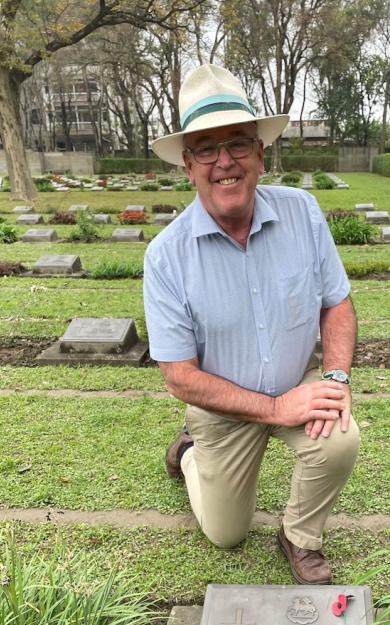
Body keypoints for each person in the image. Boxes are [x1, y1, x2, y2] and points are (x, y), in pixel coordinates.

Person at [144, 64, 359, 585]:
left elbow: (338, 304)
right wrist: (271, 408)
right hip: (221, 410)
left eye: (238, 144)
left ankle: (300, 535)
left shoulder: (302, 213)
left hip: (294, 386)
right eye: (205, 149)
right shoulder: (166, 257)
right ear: (188, 167)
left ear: (260, 154)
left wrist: (334, 379)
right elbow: (179, 377)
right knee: (226, 534)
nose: (225, 162)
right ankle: (191, 454)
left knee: (340, 440)